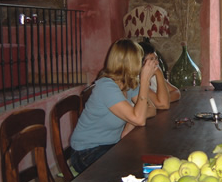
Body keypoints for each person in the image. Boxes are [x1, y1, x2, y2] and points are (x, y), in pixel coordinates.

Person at [70, 39, 158, 173]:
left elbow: (151, 109)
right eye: (140, 60)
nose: (143, 64)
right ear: (129, 63)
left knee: (148, 158)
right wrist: (145, 80)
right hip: (87, 152)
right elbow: (139, 119)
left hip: (112, 145)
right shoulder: (106, 86)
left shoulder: (127, 83)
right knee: (133, 168)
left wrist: (130, 124)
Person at [138, 40, 181, 109]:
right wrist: (159, 72)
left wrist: (164, 98)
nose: (157, 62)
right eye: (152, 59)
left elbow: (176, 92)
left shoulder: (153, 76)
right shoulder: (136, 82)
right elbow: (163, 105)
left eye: (156, 58)